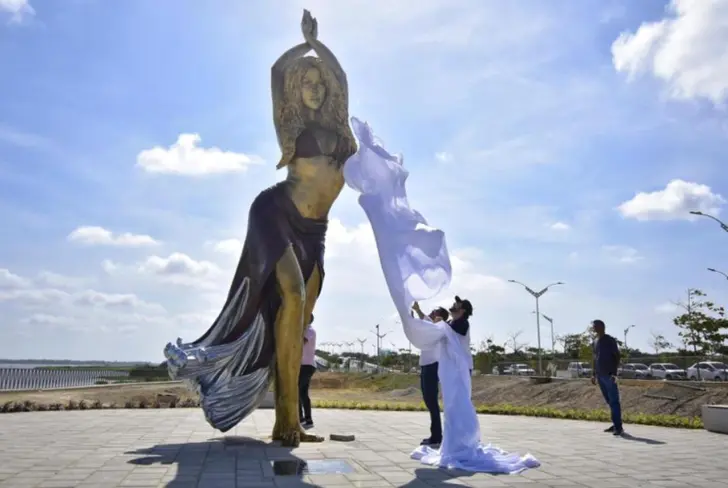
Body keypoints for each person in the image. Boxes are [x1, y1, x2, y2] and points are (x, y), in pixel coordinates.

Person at [412, 303, 450, 446]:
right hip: (426, 366)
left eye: (434, 313)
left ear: (440, 317)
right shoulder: (432, 327)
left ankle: (436, 436)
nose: (432, 313)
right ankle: (436, 434)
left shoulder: (439, 329)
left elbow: (426, 320)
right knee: (429, 401)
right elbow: (424, 319)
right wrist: (416, 310)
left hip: (432, 367)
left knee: (431, 401)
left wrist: (418, 311)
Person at [590, 319, 623, 436]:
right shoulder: (595, 341)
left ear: (602, 327)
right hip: (600, 375)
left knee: (614, 401)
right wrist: (594, 374)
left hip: (609, 375)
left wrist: (614, 372)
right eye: (593, 327)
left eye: (595, 326)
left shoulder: (609, 340)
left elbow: (617, 356)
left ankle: (618, 428)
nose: (593, 329)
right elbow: (595, 358)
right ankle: (615, 423)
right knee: (610, 401)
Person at [299, 314, 317, 429]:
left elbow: (300, 343)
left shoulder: (309, 331)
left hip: (307, 366)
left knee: (298, 391)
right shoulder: (305, 330)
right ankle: (305, 419)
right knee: (302, 393)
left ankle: (304, 418)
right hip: (303, 365)